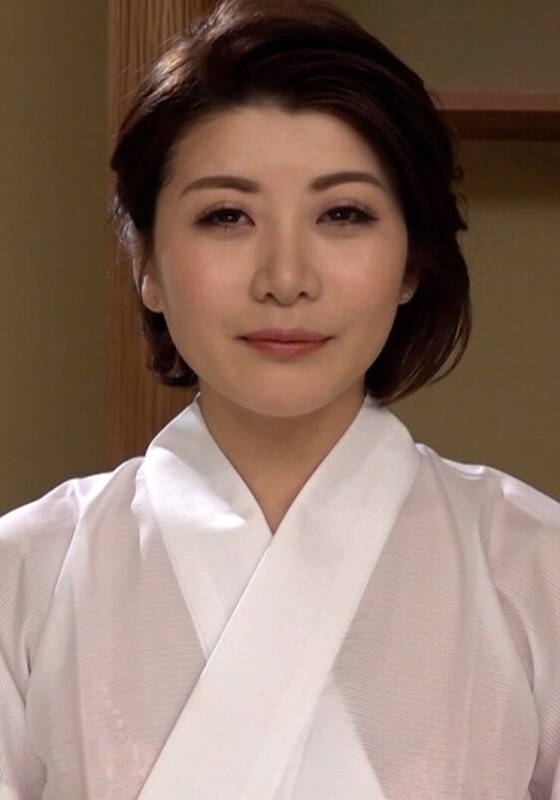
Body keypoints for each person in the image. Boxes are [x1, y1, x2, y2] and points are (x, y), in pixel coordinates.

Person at [1, 0, 559, 797]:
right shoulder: (24, 575)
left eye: (344, 214)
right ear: (146, 263)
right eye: (227, 216)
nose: (286, 278)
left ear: (412, 261)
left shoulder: (537, 567)